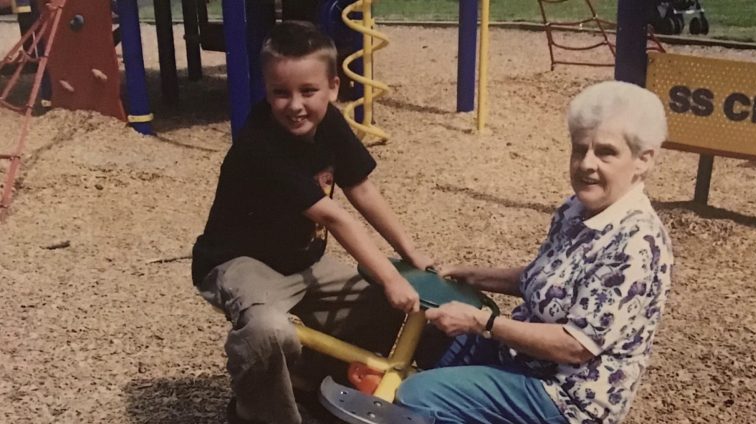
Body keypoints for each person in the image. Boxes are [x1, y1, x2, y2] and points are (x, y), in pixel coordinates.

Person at [191, 21, 432, 424]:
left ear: (333, 87)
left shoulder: (329, 123)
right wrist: (392, 279)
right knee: (269, 330)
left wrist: (410, 255)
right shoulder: (261, 146)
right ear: (266, 90)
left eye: (308, 91)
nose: (295, 105)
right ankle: (259, 411)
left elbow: (362, 189)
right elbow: (334, 216)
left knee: (379, 303)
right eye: (280, 93)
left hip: (301, 259)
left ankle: (313, 381)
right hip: (241, 261)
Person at [396, 81, 674, 424]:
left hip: (567, 396)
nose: (586, 164)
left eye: (606, 152)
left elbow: (575, 345)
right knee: (432, 344)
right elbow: (544, 277)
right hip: (527, 361)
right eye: (579, 149)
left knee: (419, 397)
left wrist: (483, 322)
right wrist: (467, 272)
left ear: (643, 160)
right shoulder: (576, 210)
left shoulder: (636, 243)